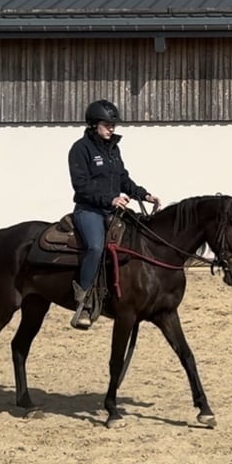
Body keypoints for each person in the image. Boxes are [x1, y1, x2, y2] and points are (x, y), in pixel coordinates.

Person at [67, 99, 160, 329]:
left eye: (113, 125)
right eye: (107, 124)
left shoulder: (113, 149)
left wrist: (143, 194)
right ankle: (84, 301)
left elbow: (123, 179)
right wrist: (110, 199)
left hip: (112, 210)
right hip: (89, 210)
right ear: (94, 125)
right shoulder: (80, 149)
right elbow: (82, 187)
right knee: (96, 247)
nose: (112, 128)